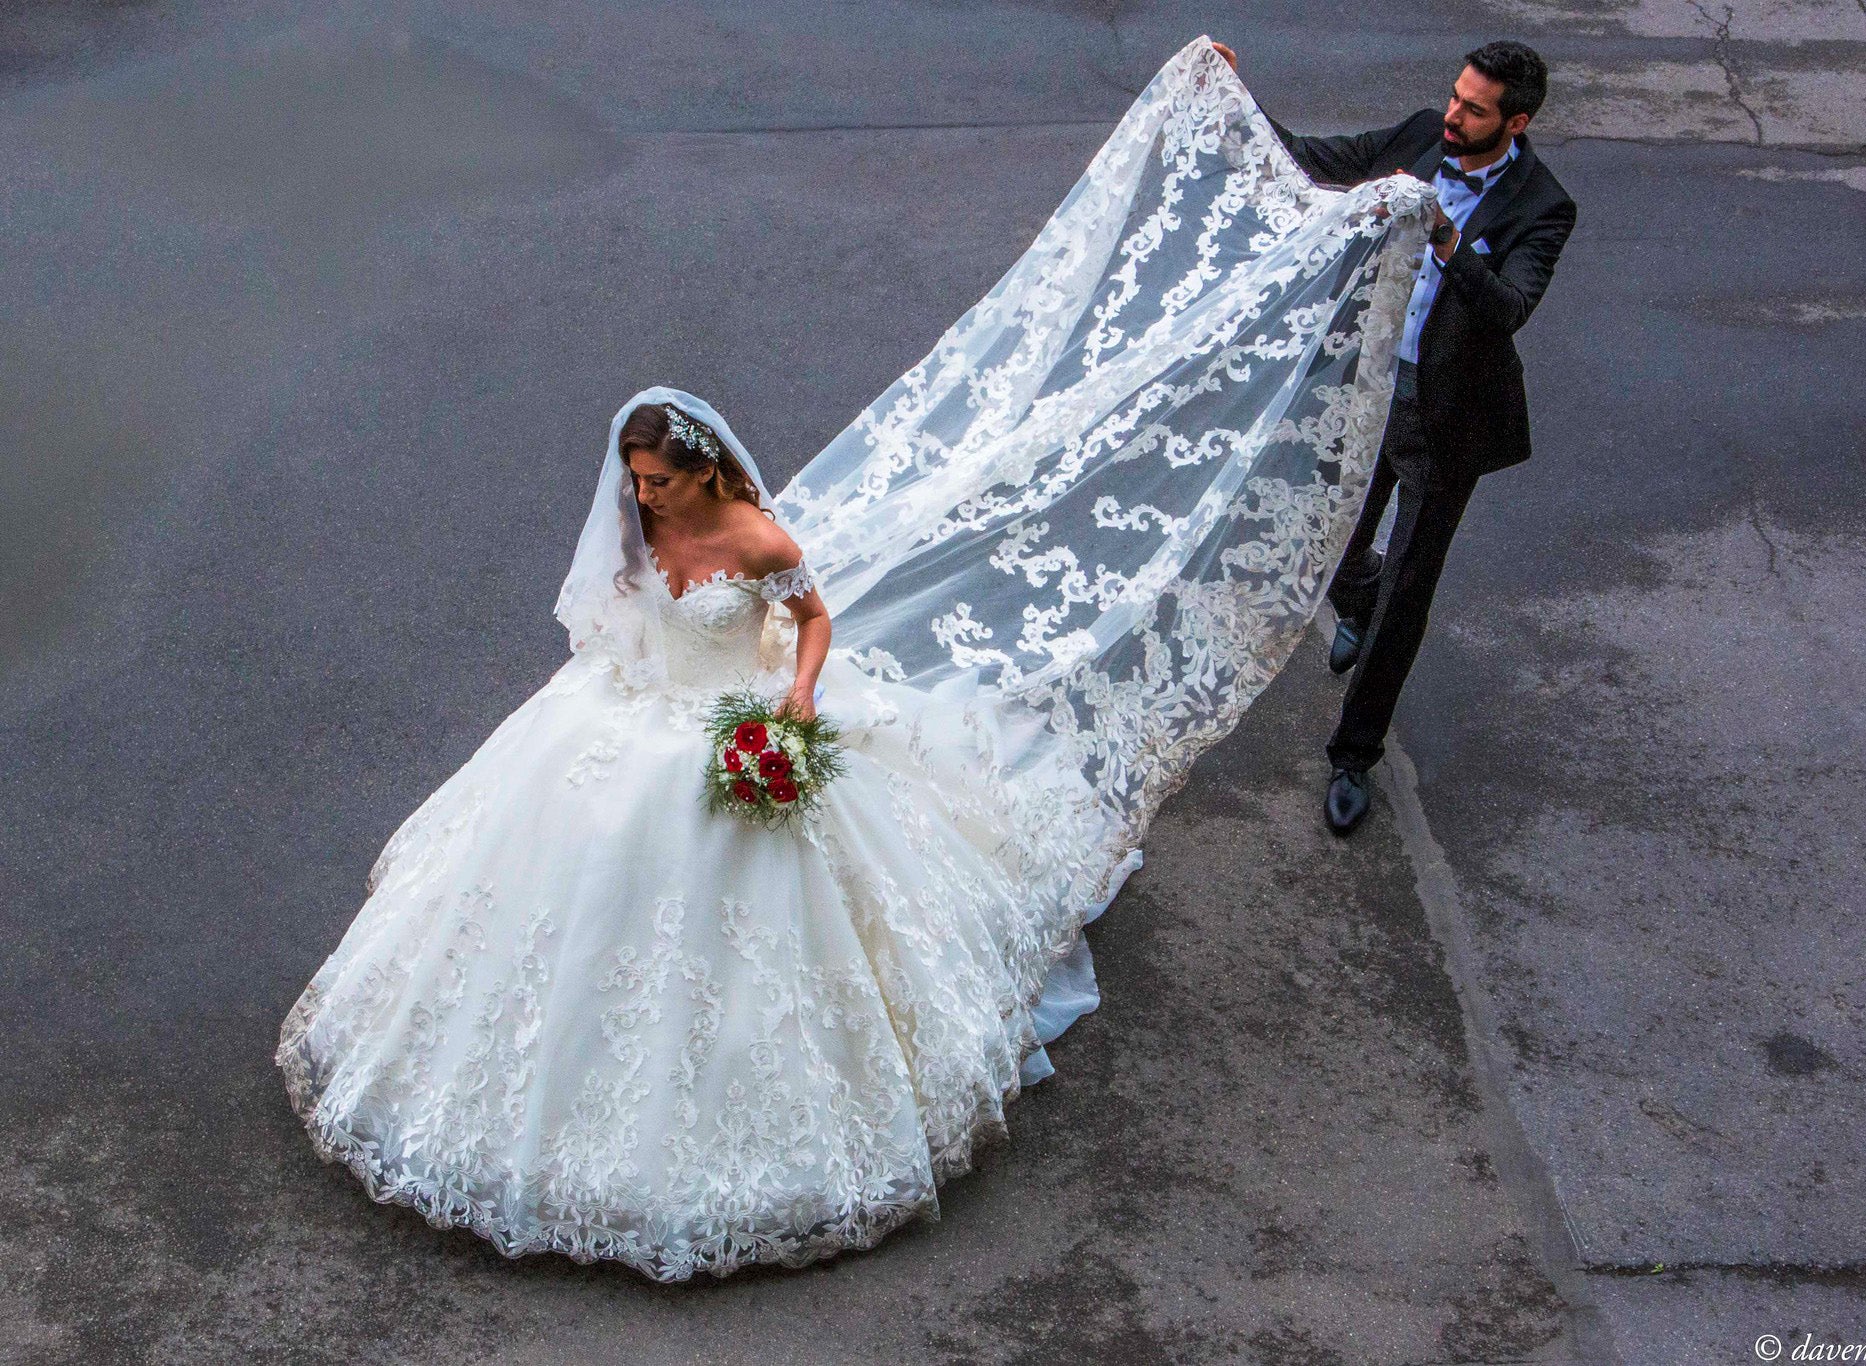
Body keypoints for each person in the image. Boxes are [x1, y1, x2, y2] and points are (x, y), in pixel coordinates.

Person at [277, 40, 1434, 1282]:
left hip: (735, 725)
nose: (643, 499)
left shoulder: (759, 536)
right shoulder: (639, 522)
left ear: (708, 473)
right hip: (623, 716)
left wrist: (792, 700)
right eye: (637, 483)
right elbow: (608, 612)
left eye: (661, 482)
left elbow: (812, 617)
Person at [1214, 40, 1578, 833]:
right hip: (1367, 387)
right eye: (1455, 96)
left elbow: (1509, 308)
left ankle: (1354, 753)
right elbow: (1314, 160)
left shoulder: (1543, 205)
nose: (1454, 114)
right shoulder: (1419, 134)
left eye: (1474, 109)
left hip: (1449, 420)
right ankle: (1357, 599)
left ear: (1515, 122)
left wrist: (1449, 244)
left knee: (1407, 593)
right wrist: (1231, 93)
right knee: (1326, 533)